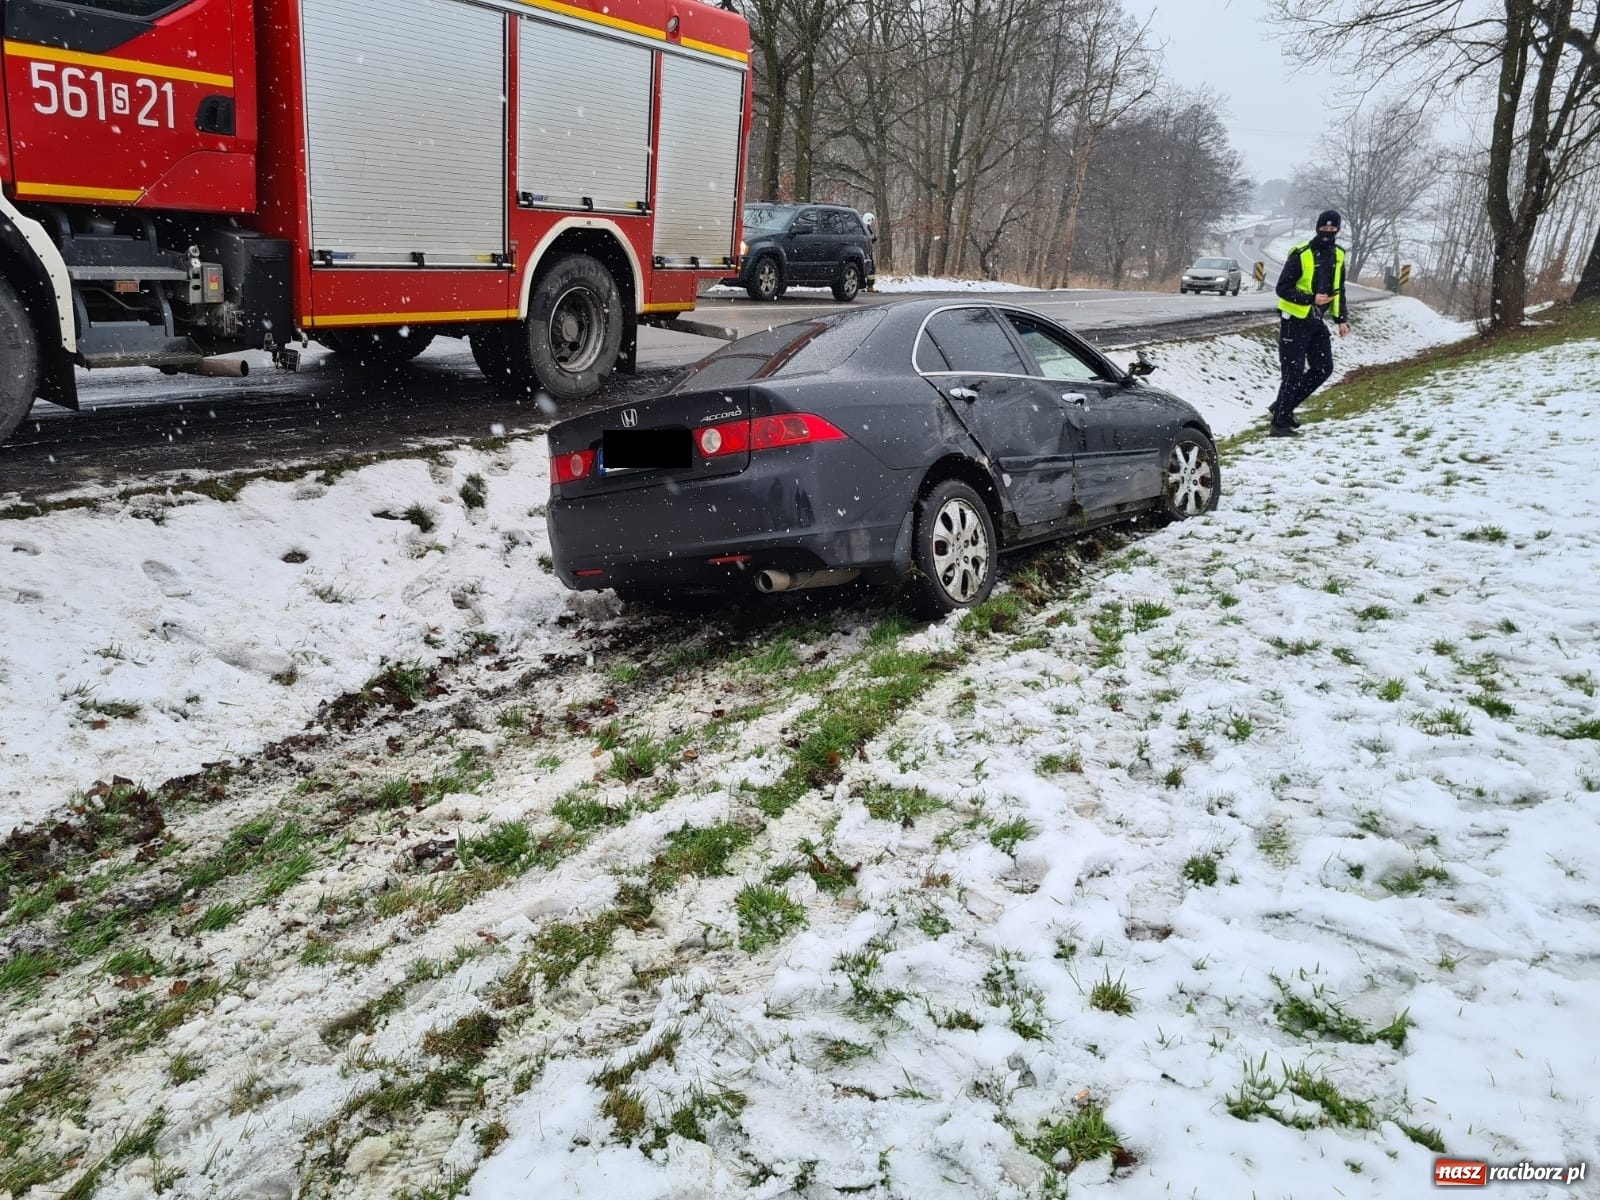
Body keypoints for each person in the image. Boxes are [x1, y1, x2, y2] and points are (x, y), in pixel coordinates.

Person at [1269, 209, 1350, 437]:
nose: (1328, 232)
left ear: (1337, 230)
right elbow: (1282, 288)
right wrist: (1310, 298)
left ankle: (1283, 407)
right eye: (1324, 228)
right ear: (1317, 228)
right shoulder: (1301, 254)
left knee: (1323, 368)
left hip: (1316, 320)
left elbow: (1339, 289)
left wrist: (1341, 319)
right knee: (1293, 372)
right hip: (1294, 320)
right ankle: (1279, 424)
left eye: (1332, 229)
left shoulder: (1339, 255)